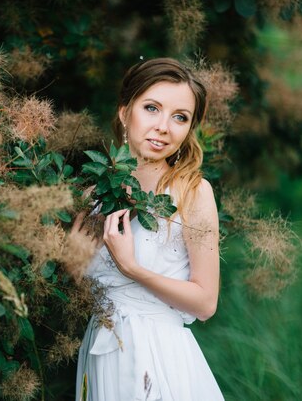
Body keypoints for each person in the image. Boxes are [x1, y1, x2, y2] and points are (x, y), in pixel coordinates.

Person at [74, 58, 224, 400]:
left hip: (159, 357)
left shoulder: (192, 193)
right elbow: (81, 288)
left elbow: (205, 302)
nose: (163, 127)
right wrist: (72, 260)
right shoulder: (93, 195)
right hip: (102, 351)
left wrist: (133, 269)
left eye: (180, 117)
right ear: (125, 112)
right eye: (152, 108)